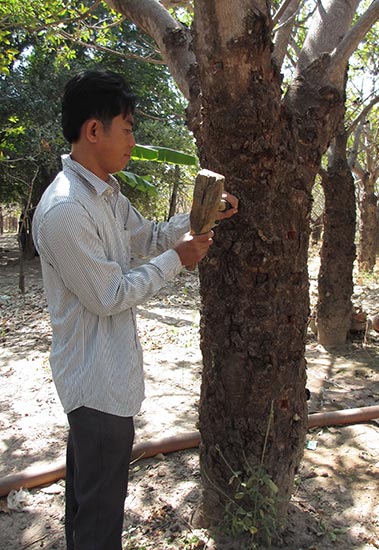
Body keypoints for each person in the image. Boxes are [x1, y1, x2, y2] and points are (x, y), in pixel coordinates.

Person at [32, 69, 238, 550]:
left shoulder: (105, 194)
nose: (132, 140)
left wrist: (199, 219)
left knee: (90, 504)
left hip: (109, 378)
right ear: (94, 130)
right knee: (100, 517)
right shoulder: (66, 210)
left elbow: (143, 236)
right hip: (94, 383)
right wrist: (177, 260)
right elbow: (108, 296)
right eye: (126, 128)